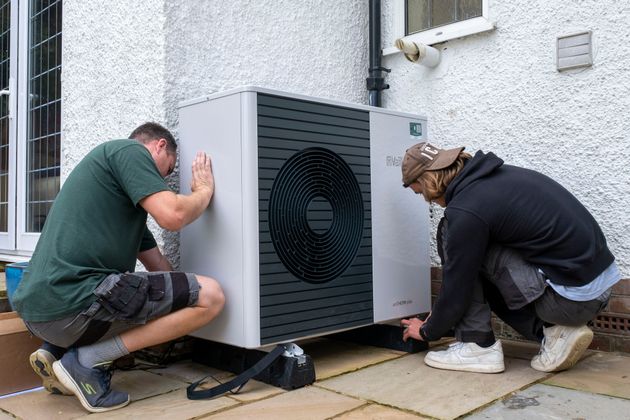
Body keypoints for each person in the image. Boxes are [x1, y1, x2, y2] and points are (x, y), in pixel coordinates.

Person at [11, 122, 225, 412]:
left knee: (158, 289)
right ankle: (85, 362)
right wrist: (203, 191)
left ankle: (55, 352)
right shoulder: (129, 150)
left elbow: (159, 267)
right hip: (71, 306)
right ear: (159, 146)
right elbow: (173, 215)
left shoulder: (121, 203)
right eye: (170, 168)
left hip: (41, 312)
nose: (166, 177)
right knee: (211, 296)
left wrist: (181, 294)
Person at [399, 142, 620, 374]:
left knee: (450, 233)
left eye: (420, 192)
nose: (428, 200)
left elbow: (458, 283)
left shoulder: (467, 209)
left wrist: (428, 331)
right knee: (472, 255)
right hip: (594, 291)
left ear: (428, 182)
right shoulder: (495, 180)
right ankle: (555, 335)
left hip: (570, 301)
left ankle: (478, 346)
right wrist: (444, 314)